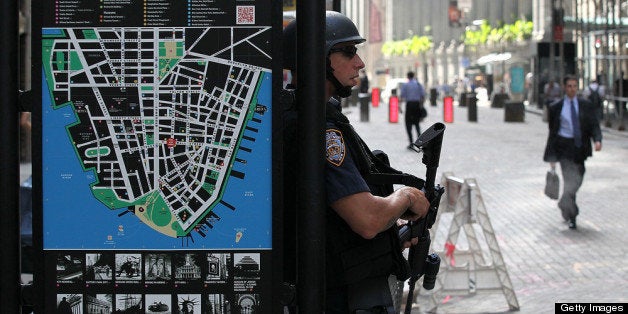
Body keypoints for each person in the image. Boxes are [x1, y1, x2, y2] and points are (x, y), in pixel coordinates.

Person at [282, 12, 430, 313]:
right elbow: (367, 220)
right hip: (338, 297)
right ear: (317, 58)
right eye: (348, 52)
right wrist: (407, 197)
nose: (359, 62)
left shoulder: (306, 116)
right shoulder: (317, 129)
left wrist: (393, 233)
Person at [543, 75, 602, 229]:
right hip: (564, 147)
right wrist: (552, 156)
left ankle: (564, 201)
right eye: (569, 86)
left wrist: (597, 140)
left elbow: (594, 124)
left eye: (574, 86)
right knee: (570, 179)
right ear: (564, 87)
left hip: (580, 147)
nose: (572, 89)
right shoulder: (556, 107)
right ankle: (572, 215)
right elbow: (553, 133)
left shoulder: (585, 105)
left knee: (579, 176)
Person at [399, 71, 426, 149]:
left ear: (407, 76)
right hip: (417, 105)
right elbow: (423, 96)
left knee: (408, 124)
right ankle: (420, 143)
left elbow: (402, 96)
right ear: (413, 76)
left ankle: (411, 143)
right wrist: (421, 106)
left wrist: (400, 107)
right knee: (417, 124)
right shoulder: (418, 84)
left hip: (409, 105)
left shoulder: (405, 85)